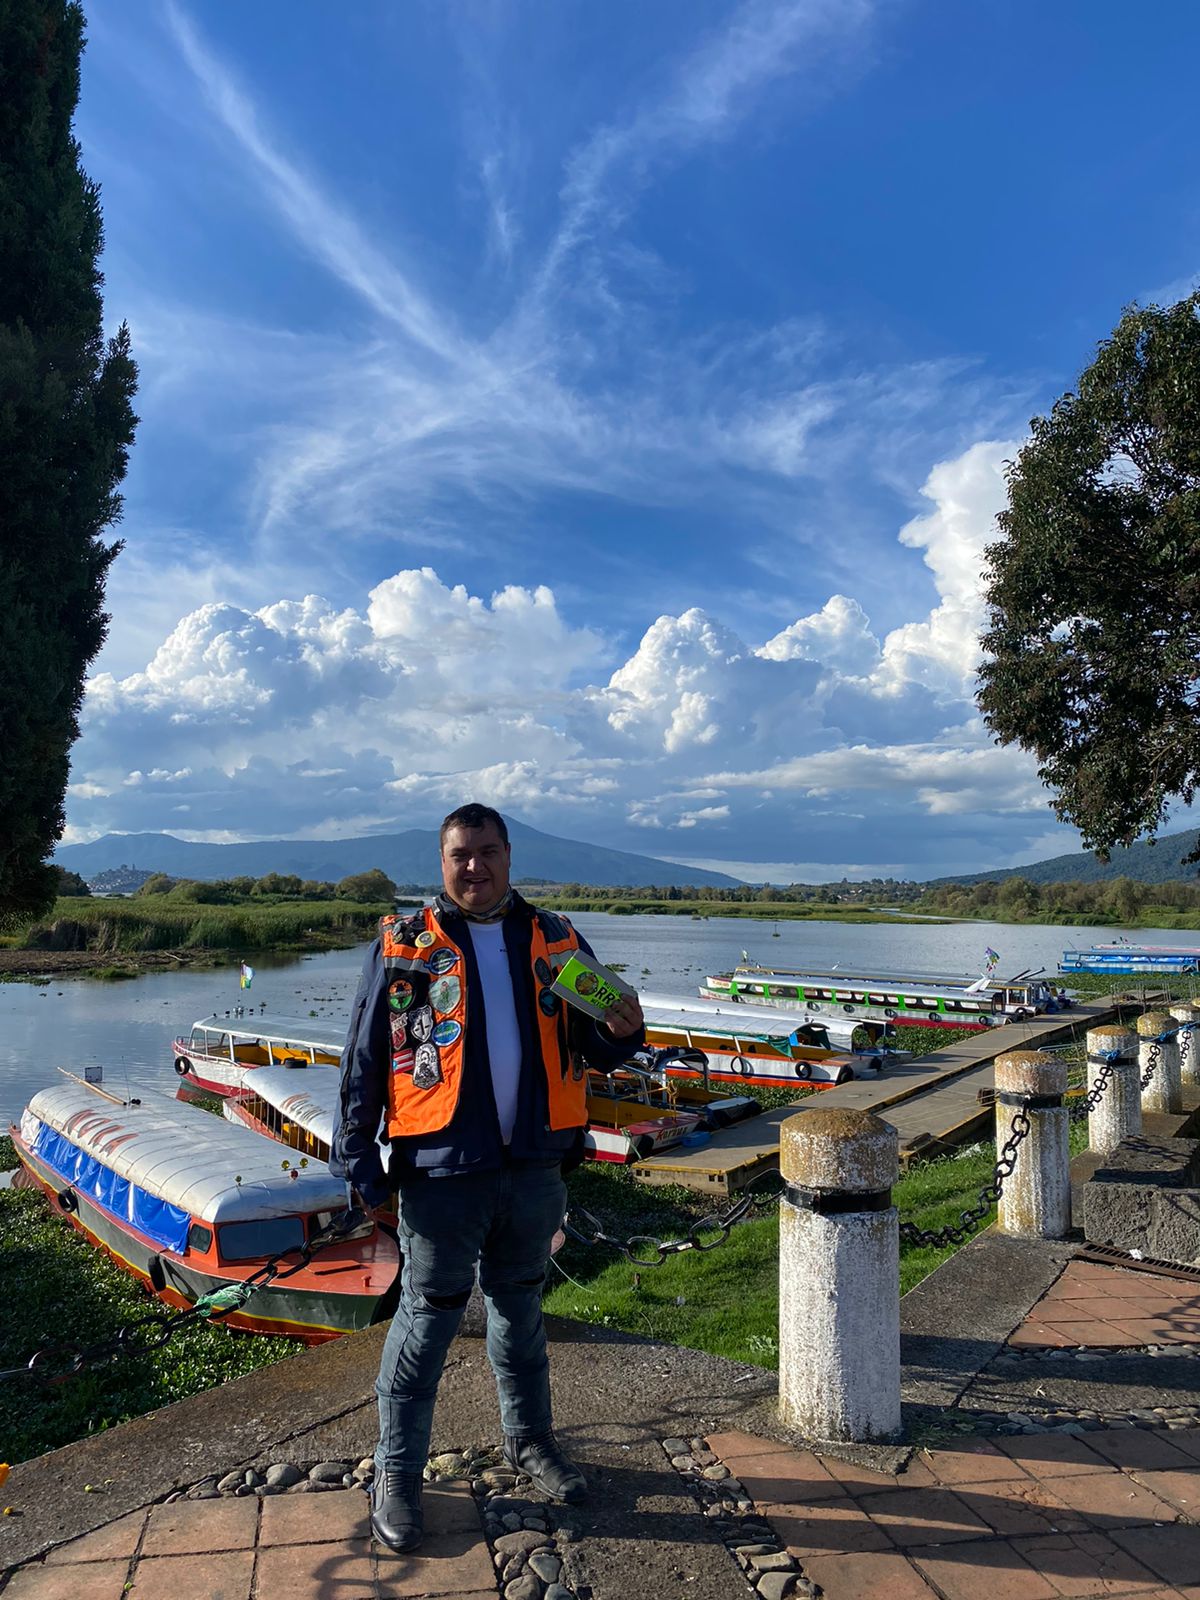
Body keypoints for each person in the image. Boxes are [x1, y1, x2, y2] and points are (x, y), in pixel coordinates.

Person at [331, 802, 645, 1552]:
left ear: (509, 857)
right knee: (426, 1323)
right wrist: (356, 1159)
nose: (475, 867)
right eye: (459, 855)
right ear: (441, 864)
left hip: (535, 1166)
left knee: (522, 1314)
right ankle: (398, 1477)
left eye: (487, 852)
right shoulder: (403, 944)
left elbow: (599, 1049)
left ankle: (530, 1443)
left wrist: (624, 1032)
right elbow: (364, 1058)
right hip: (441, 1171)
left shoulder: (557, 940)